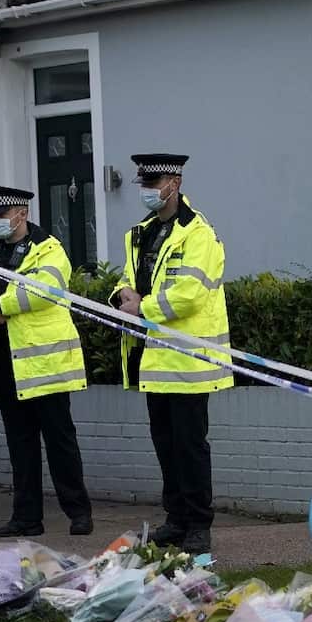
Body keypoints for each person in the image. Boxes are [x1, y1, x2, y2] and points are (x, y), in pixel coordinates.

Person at [0, 185, 93, 538]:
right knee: (21, 448)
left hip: (45, 367)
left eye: (2, 216)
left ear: (22, 214)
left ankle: (79, 514)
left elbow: (45, 290)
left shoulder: (48, 249)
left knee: (61, 443)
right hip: (6, 365)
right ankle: (26, 518)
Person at [111, 154, 232, 554]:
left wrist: (140, 306)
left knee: (190, 446)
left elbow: (190, 293)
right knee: (164, 443)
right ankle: (176, 518)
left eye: (154, 183)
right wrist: (120, 295)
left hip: (188, 360)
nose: (147, 191)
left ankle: (199, 524)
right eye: (143, 183)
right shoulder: (142, 233)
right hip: (154, 358)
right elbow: (128, 278)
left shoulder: (199, 234)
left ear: (174, 183)